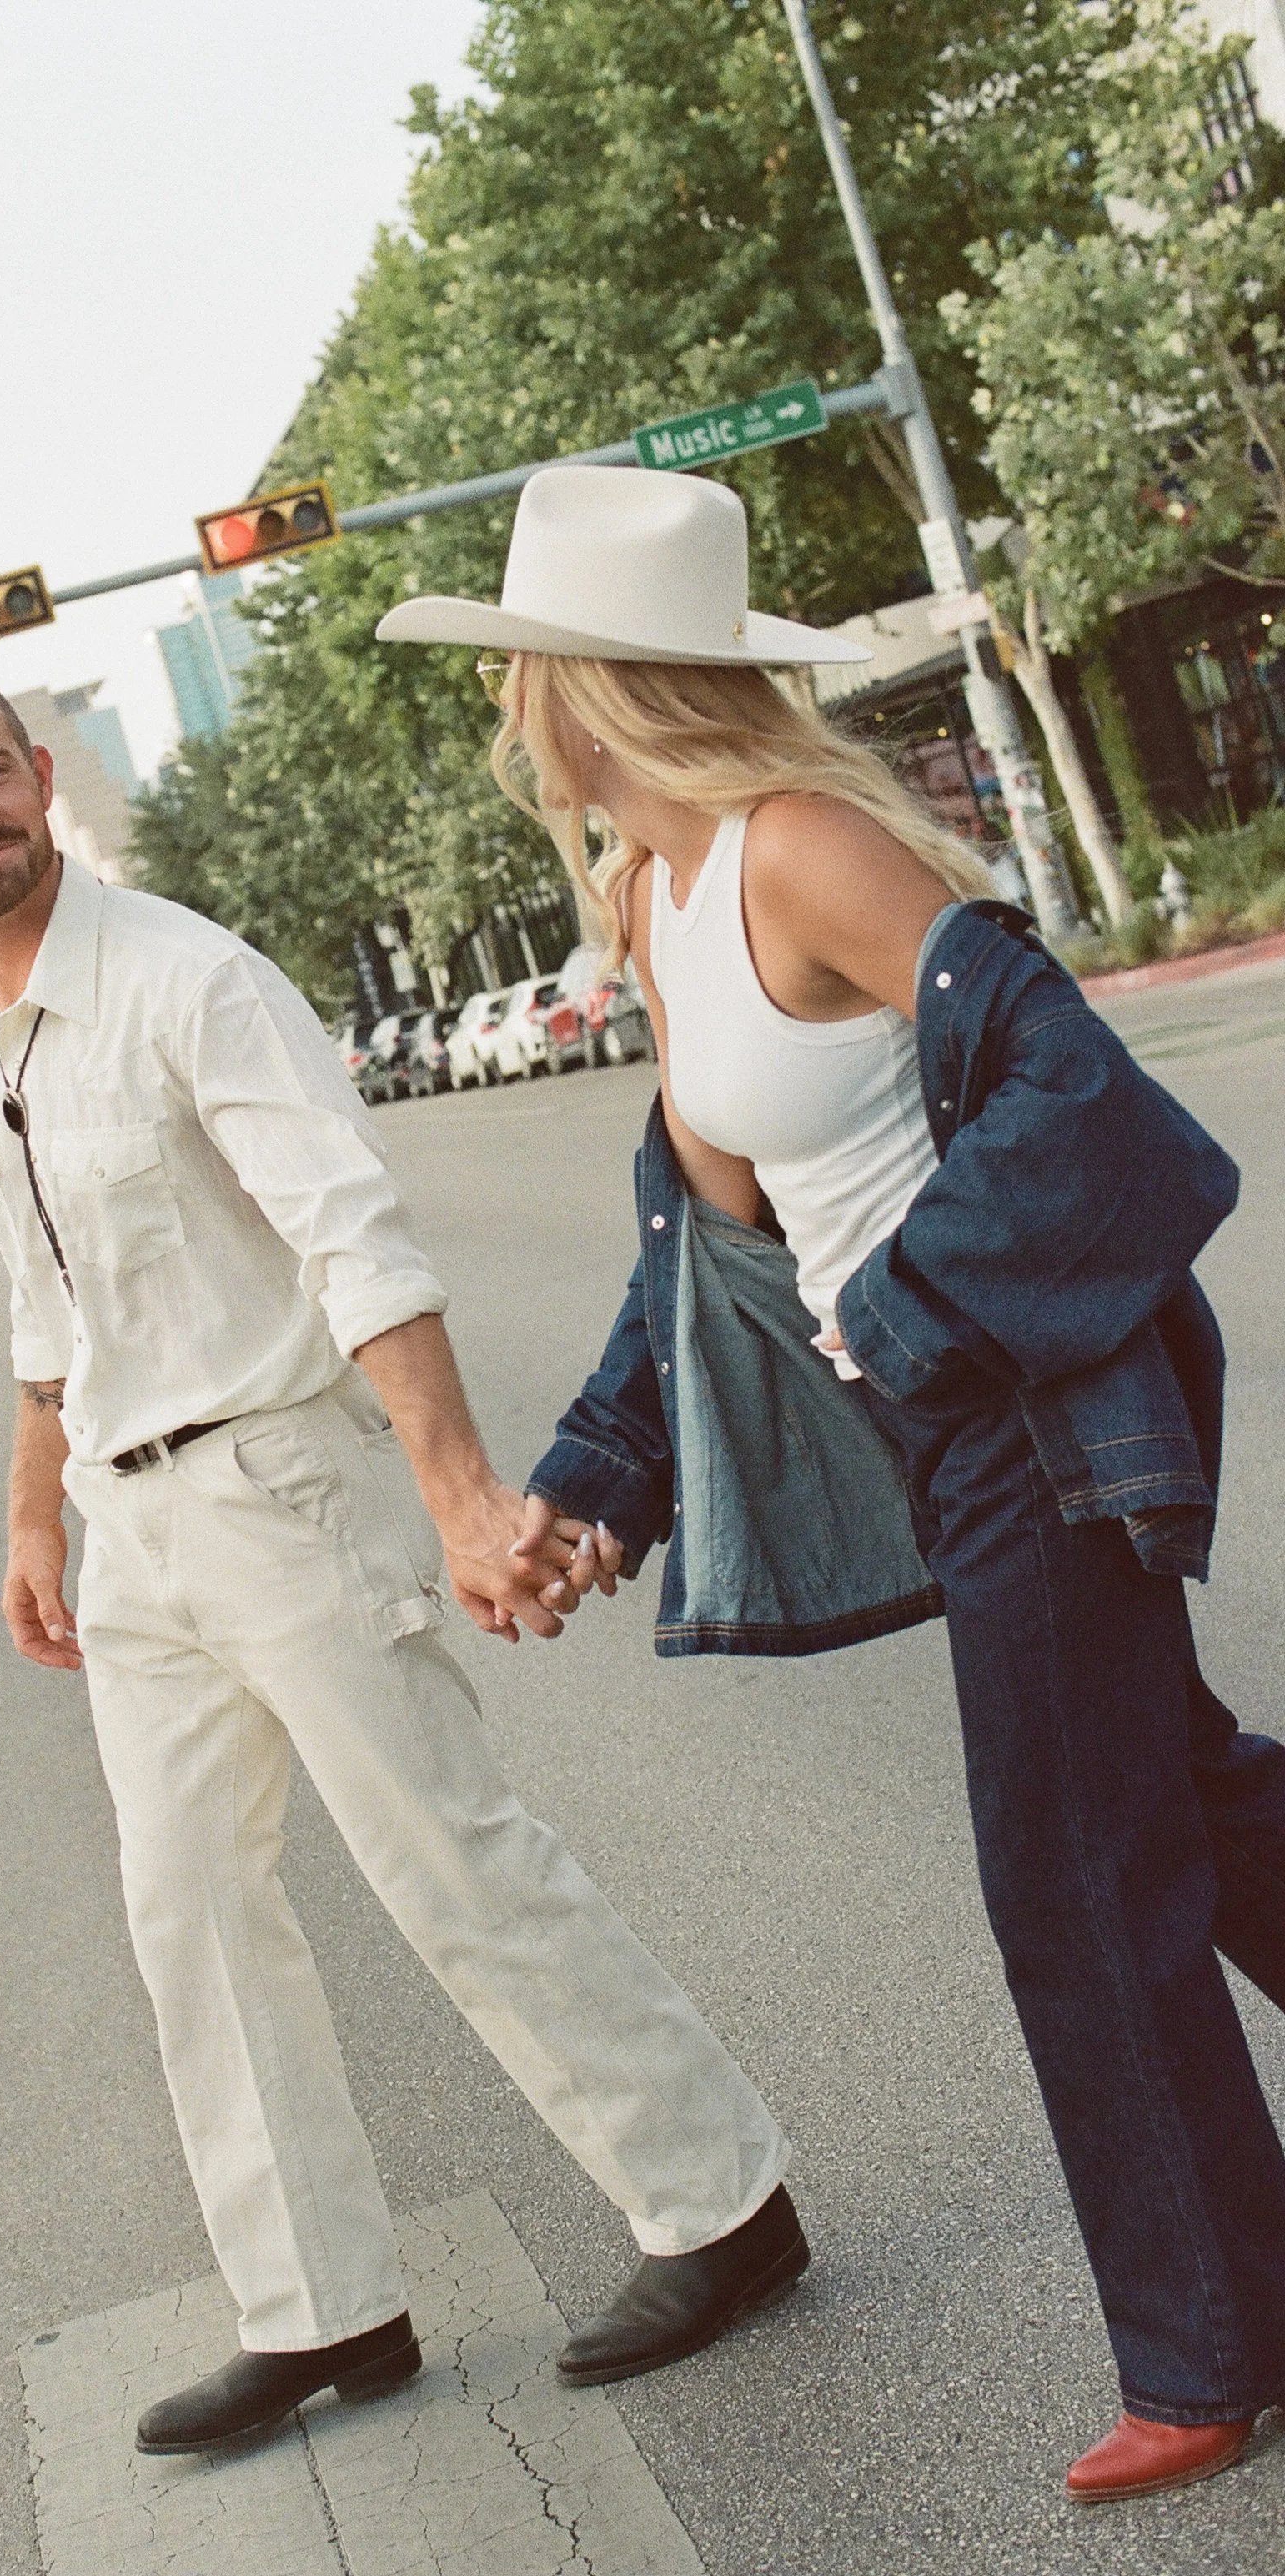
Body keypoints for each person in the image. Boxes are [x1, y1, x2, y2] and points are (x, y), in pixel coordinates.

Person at [378, 464, 1285, 2505]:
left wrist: (917, 1310)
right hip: (951, 1418)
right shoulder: (651, 893)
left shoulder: (801, 846)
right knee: (1180, 1792)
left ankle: (1214, 2347)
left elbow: (1079, 1089)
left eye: (525, 671)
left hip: (1039, 1414)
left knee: (1071, 1872)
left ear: (584, 682)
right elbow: (701, 1253)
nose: (516, 710)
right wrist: (599, 1487)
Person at [0, 650, 808, 2458]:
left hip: (285, 1485)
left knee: (450, 1864)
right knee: (190, 1910)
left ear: (38, 771)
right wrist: (29, 1510)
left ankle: (722, 2204)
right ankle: (321, 2306)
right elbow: (46, 1300)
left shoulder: (189, 981)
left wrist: (455, 1491)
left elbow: (354, 1240)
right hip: (134, 1533)